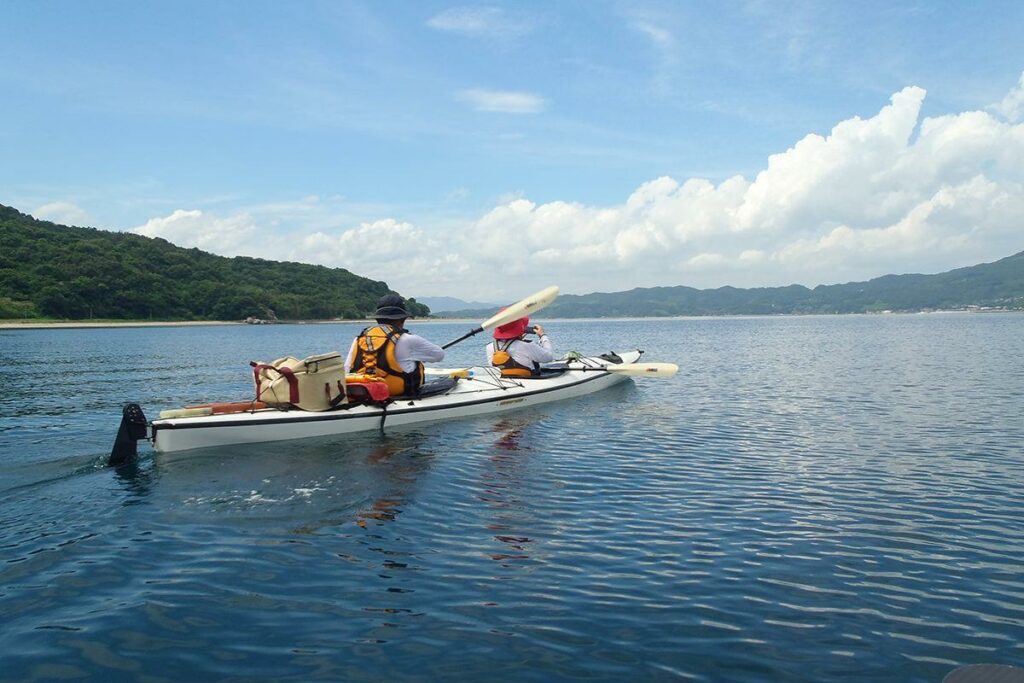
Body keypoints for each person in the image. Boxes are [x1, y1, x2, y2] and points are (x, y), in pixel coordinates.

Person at [346, 294, 444, 396]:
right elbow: (440, 355)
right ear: (402, 319)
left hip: (363, 394)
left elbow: (347, 368)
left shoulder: (358, 339)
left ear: (378, 319)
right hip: (397, 395)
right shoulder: (408, 339)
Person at [485, 316, 555, 377]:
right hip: (529, 382)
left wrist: (518, 338)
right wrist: (542, 336)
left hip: (503, 381)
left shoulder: (489, 346)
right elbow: (548, 357)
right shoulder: (527, 345)